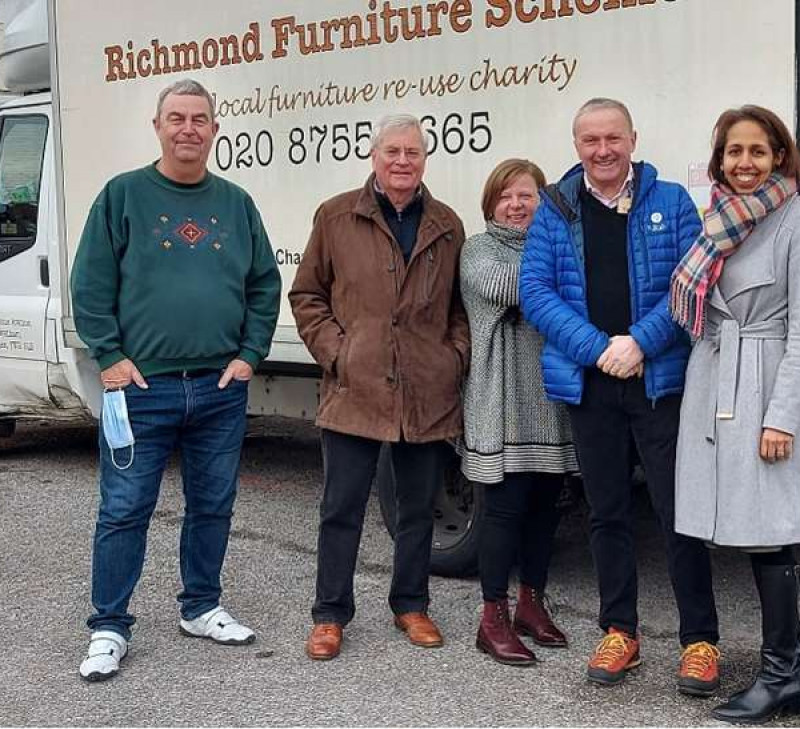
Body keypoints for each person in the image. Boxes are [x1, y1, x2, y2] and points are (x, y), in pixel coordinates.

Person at [71, 79, 282, 682]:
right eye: (176, 118)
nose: (188, 128)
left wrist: (249, 354)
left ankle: (201, 607)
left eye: (200, 119)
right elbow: (90, 284)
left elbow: (264, 284)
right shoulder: (123, 196)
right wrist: (109, 355)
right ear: (158, 126)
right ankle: (109, 627)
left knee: (213, 504)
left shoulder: (236, 203)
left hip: (219, 388)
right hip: (140, 391)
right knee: (124, 508)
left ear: (215, 129)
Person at [520, 98, 720, 689]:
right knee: (606, 512)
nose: (602, 150)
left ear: (632, 138)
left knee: (677, 511)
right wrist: (597, 348)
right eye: (590, 141)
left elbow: (692, 283)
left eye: (612, 138)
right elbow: (536, 292)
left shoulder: (671, 202)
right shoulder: (556, 208)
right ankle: (619, 632)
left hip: (657, 382)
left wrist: (638, 343)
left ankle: (700, 641)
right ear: (576, 145)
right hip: (590, 384)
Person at [670, 105, 800, 723]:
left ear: (781, 156)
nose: (745, 164)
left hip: (764, 386)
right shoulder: (719, 221)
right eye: (734, 152)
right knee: (752, 530)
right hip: (715, 380)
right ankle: (797, 663)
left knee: (770, 533)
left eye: (757, 152)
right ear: (720, 160)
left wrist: (781, 417)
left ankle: (781, 674)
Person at [289, 114, 469, 661]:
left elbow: (459, 309)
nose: (401, 161)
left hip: (425, 391)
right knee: (340, 507)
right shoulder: (337, 215)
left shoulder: (446, 224)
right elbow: (307, 295)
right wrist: (337, 354)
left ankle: (411, 604)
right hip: (355, 389)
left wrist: (452, 357)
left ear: (425, 159)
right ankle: (329, 614)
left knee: (417, 509)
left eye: (412, 153)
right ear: (374, 156)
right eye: (392, 151)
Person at [459, 159, 578, 666]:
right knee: (502, 514)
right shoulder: (476, 250)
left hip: (551, 402)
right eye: (506, 196)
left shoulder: (555, 246)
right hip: (501, 401)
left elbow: (566, 294)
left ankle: (531, 603)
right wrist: (559, 280)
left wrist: (558, 283)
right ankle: (492, 618)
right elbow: (510, 289)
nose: (516, 204)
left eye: (527, 195)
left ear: (541, 202)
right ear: (491, 203)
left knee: (544, 511)